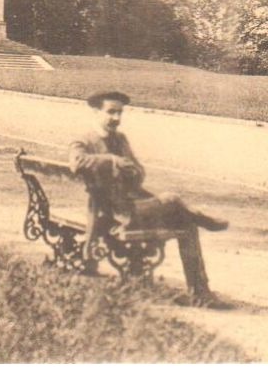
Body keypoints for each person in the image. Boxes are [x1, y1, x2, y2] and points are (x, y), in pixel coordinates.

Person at [67, 89, 229, 307]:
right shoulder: (84, 140)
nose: (116, 118)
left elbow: (139, 171)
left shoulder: (121, 139)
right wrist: (112, 160)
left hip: (134, 207)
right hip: (112, 214)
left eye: (120, 113)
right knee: (171, 199)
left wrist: (133, 171)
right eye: (111, 112)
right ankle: (201, 218)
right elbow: (76, 163)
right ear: (96, 111)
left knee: (187, 224)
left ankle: (200, 292)